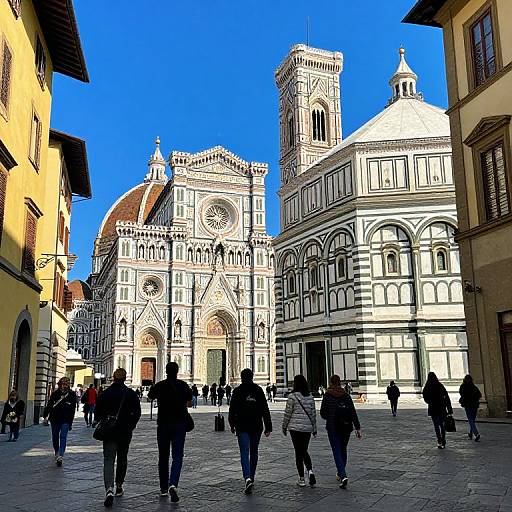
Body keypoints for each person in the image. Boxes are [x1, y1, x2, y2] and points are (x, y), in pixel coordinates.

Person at [96, 368, 141, 507]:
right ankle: (119, 486)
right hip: (125, 432)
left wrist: (104, 420)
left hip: (109, 432)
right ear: (125, 378)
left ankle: (109, 489)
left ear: (113, 378)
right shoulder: (130, 394)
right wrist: (131, 425)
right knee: (122, 459)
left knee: (108, 460)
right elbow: (137, 413)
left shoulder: (106, 393)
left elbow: (98, 413)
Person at [148, 362, 192, 503]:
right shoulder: (183, 385)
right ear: (177, 371)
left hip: (163, 425)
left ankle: (163, 489)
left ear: (165, 371)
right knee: (178, 456)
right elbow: (189, 403)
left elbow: (150, 397)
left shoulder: (160, 385)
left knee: (163, 456)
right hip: (179, 424)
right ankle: (173, 483)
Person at [228, 368, 272, 494]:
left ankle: (247, 478)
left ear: (241, 377)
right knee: (254, 452)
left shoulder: (237, 391)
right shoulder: (258, 390)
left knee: (244, 452)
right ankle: (251, 477)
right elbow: (265, 409)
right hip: (256, 426)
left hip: (242, 426)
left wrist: (232, 424)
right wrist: (268, 426)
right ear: (252, 377)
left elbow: (232, 410)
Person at [320, 375, 362, 489]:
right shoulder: (346, 395)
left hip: (333, 427)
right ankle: (341, 471)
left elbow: (322, 413)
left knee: (336, 451)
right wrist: (358, 428)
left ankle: (342, 475)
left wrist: (329, 416)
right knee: (343, 449)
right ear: (340, 383)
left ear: (330, 382)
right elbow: (353, 412)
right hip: (346, 427)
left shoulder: (327, 395)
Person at [282, 375, 317, 487]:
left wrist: (284, 426)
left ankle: (302, 478)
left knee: (299, 452)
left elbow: (288, 413)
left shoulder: (292, 397)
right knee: (304, 450)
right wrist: (314, 428)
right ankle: (310, 471)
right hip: (307, 428)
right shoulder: (310, 397)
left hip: (295, 428)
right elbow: (313, 414)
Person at [43, 377, 76, 466]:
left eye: (66, 384)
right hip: (55, 419)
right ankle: (57, 451)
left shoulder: (72, 394)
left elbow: (72, 410)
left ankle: (60, 455)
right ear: (60, 384)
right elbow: (49, 405)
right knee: (55, 436)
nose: (64, 386)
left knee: (63, 437)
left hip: (66, 419)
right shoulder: (55, 394)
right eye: (63, 384)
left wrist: (70, 422)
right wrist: (45, 416)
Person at [422, 372, 453, 449]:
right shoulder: (440, 386)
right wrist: (449, 409)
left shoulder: (427, 386)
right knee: (442, 425)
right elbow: (446, 397)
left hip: (433, 408)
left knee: (436, 425)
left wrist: (430, 402)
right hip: (441, 408)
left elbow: (425, 397)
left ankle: (439, 440)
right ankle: (443, 439)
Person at [459, 374, 482, 442]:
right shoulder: (473, 387)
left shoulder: (463, 386)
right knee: (472, 420)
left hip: (468, 405)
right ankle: (471, 433)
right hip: (474, 405)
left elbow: (461, 394)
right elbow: (479, 395)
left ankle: (476, 434)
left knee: (470, 420)